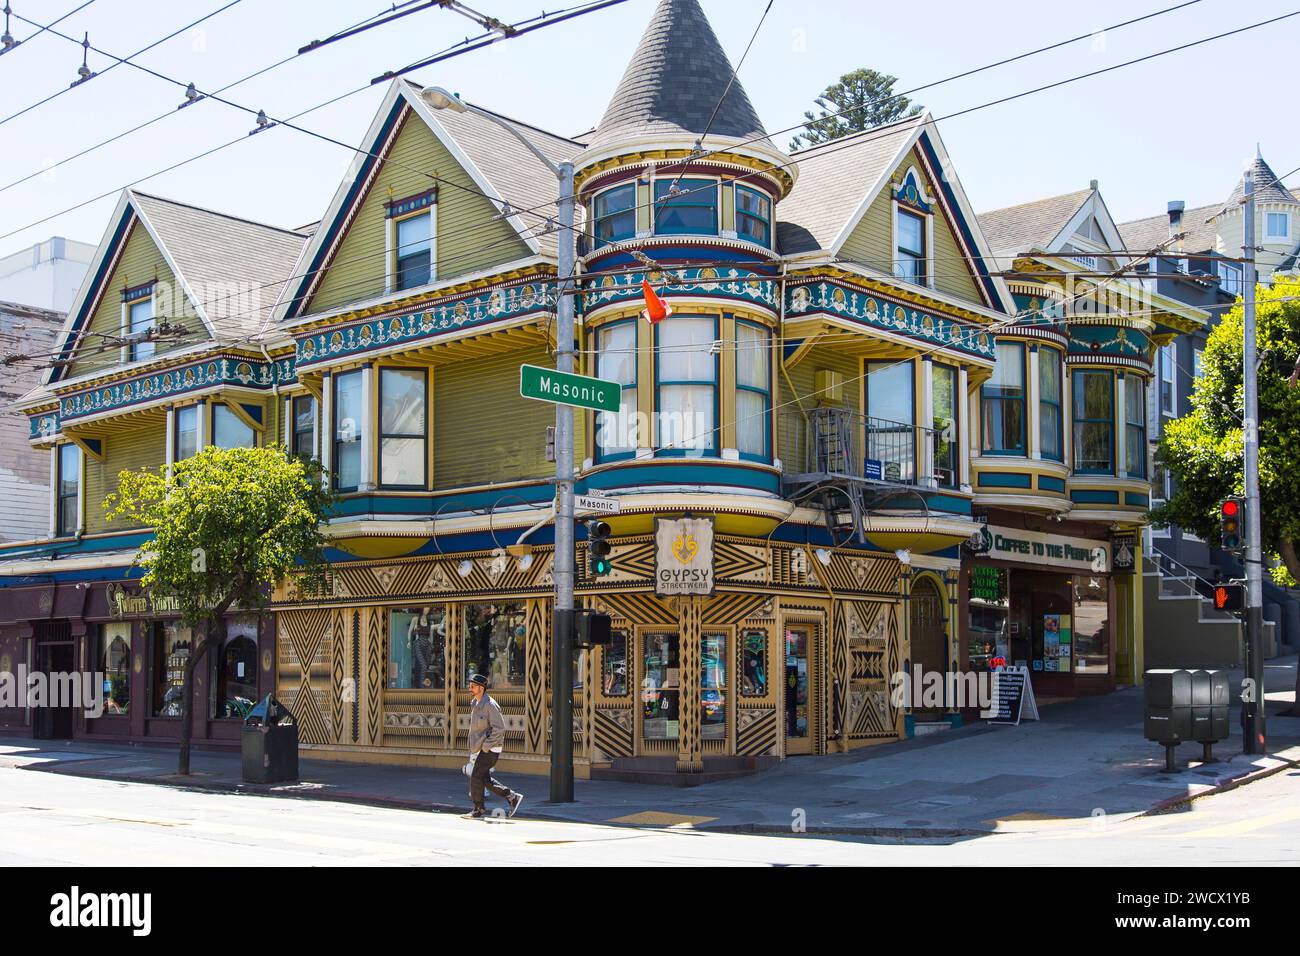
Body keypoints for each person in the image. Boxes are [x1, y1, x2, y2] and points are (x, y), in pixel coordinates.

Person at [464, 673, 523, 819]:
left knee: (476, 776)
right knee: (483, 778)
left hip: (491, 748)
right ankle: (511, 796)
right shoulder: (475, 704)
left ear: (481, 688)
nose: (470, 688)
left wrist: (486, 746)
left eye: (473, 686)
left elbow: (500, 728)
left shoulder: (490, 705)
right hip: (482, 748)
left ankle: (479, 809)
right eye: (469, 685)